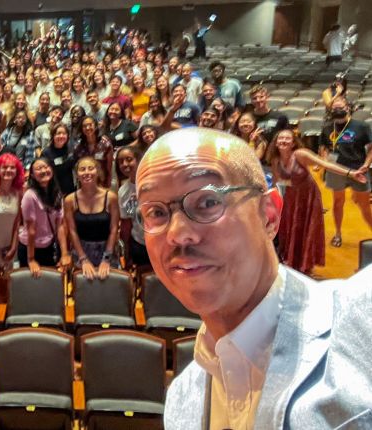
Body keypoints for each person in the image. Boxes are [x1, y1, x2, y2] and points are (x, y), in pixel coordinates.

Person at [137, 127, 372, 429]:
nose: (178, 234)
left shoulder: (361, 318)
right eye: (156, 212)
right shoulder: (182, 400)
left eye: (208, 202)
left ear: (269, 215)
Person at [267, 129, 367, 274]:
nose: (283, 141)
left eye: (287, 138)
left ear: (293, 142)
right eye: (280, 138)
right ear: (275, 142)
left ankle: (305, 265)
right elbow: (277, 183)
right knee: (289, 228)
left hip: (308, 197)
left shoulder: (301, 154)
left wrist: (350, 173)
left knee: (306, 229)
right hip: (290, 198)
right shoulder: (275, 160)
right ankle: (291, 263)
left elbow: (325, 164)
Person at [319, 97, 372, 247]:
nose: (337, 110)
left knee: (364, 206)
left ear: (348, 107)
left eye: (340, 107)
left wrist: (367, 165)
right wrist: (325, 162)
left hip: (358, 169)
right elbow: (323, 147)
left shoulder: (361, 126)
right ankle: (338, 233)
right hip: (336, 170)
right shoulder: (327, 127)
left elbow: (371, 147)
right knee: (337, 203)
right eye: (334, 108)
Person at [64, 156, 119, 280]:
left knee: (108, 289)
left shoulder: (110, 197)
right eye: (82, 169)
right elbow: (72, 231)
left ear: (98, 171)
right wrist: (83, 259)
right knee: (84, 290)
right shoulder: (70, 200)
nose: (87, 172)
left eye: (90, 168)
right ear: (77, 175)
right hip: (81, 251)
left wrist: (106, 258)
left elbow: (114, 229)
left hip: (107, 249)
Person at [18, 158, 71, 276]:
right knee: (32, 286)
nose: (43, 170)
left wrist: (64, 253)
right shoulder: (30, 195)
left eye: (46, 167)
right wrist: (31, 260)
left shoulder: (57, 193)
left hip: (49, 246)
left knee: (50, 284)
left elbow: (60, 225)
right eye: (38, 168)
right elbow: (31, 230)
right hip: (30, 248)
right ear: (32, 174)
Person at [115, 145, 149, 268]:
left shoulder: (156, 182)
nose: (125, 164)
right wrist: (127, 252)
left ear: (138, 160)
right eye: (120, 162)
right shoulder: (123, 191)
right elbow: (126, 224)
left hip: (162, 241)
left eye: (129, 159)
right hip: (139, 243)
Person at [73, 116, 113, 188]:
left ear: (95, 126)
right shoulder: (78, 146)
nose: (88, 128)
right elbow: (77, 168)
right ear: (81, 129)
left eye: (90, 125)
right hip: (85, 184)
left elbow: (109, 168)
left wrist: (108, 184)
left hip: (102, 183)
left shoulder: (105, 143)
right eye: (84, 126)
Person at [40, 123, 76, 195]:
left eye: (64, 133)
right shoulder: (46, 152)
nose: (61, 136)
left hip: (70, 188)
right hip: (53, 190)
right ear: (53, 136)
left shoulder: (71, 149)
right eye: (58, 133)